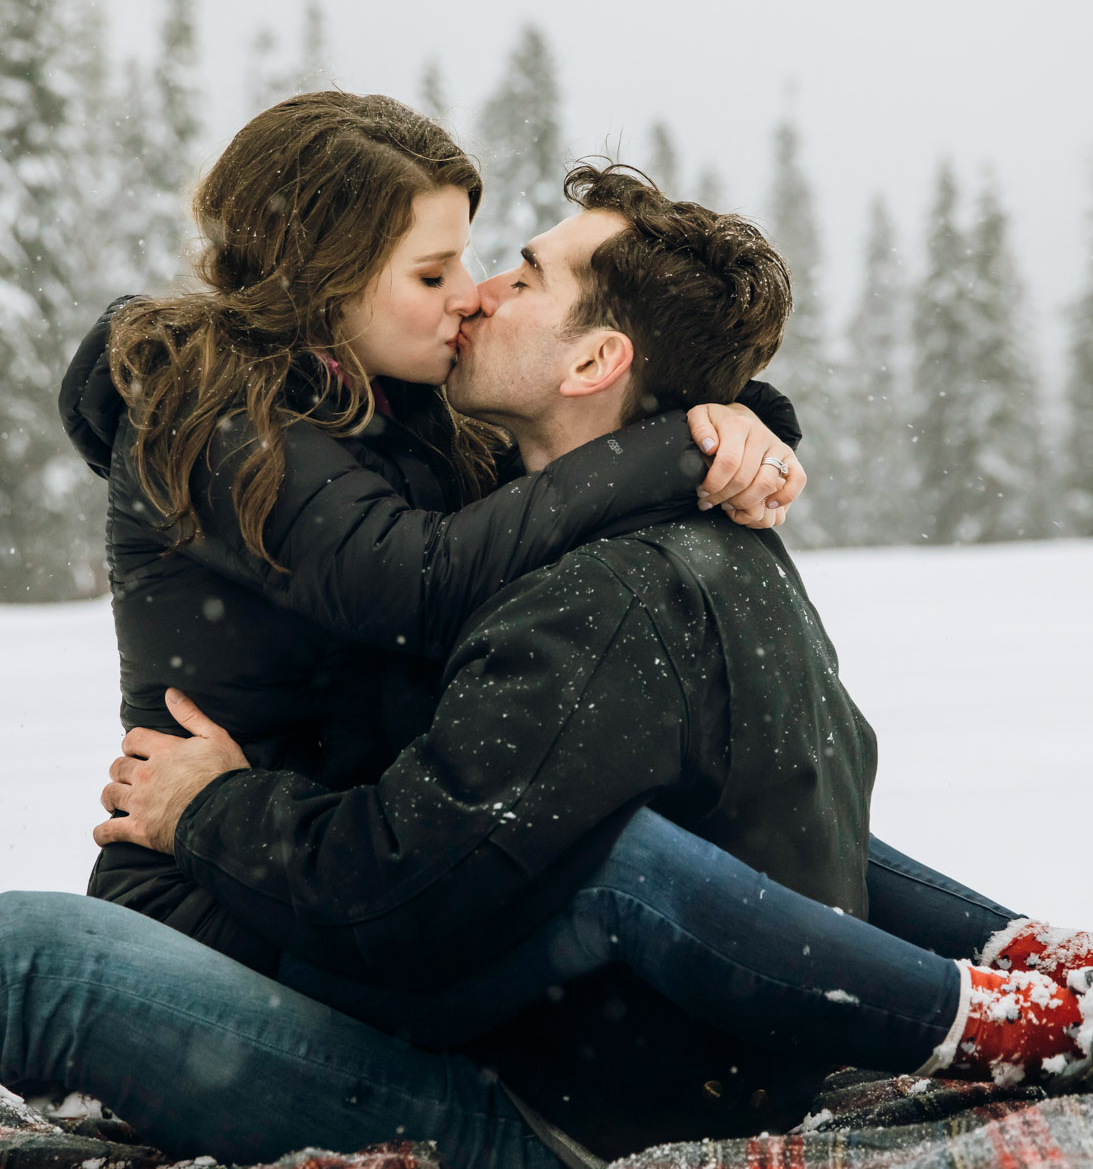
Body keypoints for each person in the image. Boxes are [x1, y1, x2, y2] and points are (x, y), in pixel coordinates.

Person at [0, 163, 1093, 1168]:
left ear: (599, 371)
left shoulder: (560, 540)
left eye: (509, 272)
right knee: (600, 848)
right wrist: (701, 429)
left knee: (29, 955)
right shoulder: (461, 475)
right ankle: (1044, 978)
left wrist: (221, 807)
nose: (478, 298)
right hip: (404, 960)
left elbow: (427, 852)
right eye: (454, 268)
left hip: (465, 1046)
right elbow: (361, 524)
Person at [58, 92, 804, 969]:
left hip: (343, 867)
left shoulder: (400, 409)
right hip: (211, 894)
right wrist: (678, 443)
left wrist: (736, 417)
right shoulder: (216, 415)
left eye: (468, 261)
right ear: (325, 279)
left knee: (691, 827)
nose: (470, 296)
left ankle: (983, 959)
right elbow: (418, 580)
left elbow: (563, 466)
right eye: (430, 273)